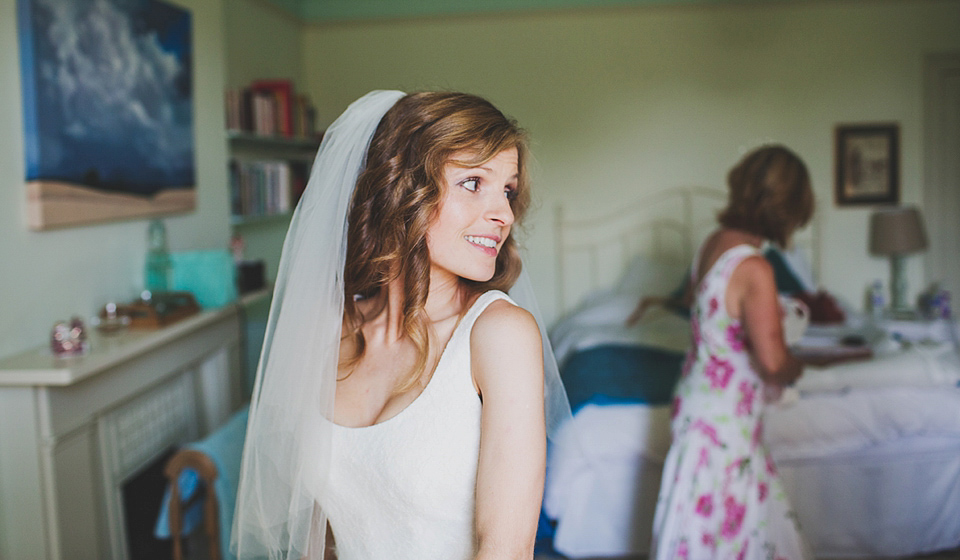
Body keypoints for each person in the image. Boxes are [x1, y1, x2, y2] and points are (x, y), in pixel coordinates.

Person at [232, 90, 570, 560]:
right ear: (401, 188)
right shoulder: (331, 331)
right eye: (474, 182)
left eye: (508, 190)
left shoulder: (499, 336)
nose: (505, 214)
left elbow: (505, 552)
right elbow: (317, 538)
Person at [649, 145, 813, 560]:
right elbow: (774, 365)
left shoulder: (714, 243)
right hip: (725, 421)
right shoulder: (756, 267)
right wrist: (800, 361)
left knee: (700, 523)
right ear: (787, 209)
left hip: (696, 402)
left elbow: (696, 303)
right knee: (733, 525)